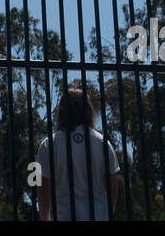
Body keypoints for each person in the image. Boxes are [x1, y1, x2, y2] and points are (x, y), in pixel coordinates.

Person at [35, 85, 121, 220]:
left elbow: (43, 189)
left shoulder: (49, 144)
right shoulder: (102, 143)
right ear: (88, 111)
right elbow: (113, 188)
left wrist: (45, 218)